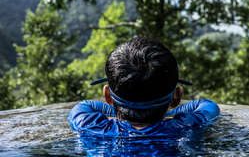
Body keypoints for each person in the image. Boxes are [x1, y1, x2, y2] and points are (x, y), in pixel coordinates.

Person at [68, 36, 220, 137]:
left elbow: (85, 105)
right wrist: (167, 114)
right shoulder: (187, 126)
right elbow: (207, 105)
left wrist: (128, 111)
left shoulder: (91, 126)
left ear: (108, 96)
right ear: (177, 96)